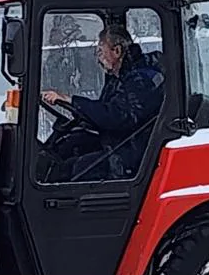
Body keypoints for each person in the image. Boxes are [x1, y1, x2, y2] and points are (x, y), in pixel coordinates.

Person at [42, 23, 164, 181]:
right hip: (119, 142)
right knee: (68, 146)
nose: (98, 58)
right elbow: (106, 109)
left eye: (100, 51)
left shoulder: (141, 79)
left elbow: (117, 117)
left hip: (133, 152)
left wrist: (72, 100)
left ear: (117, 51)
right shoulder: (120, 76)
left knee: (74, 169)